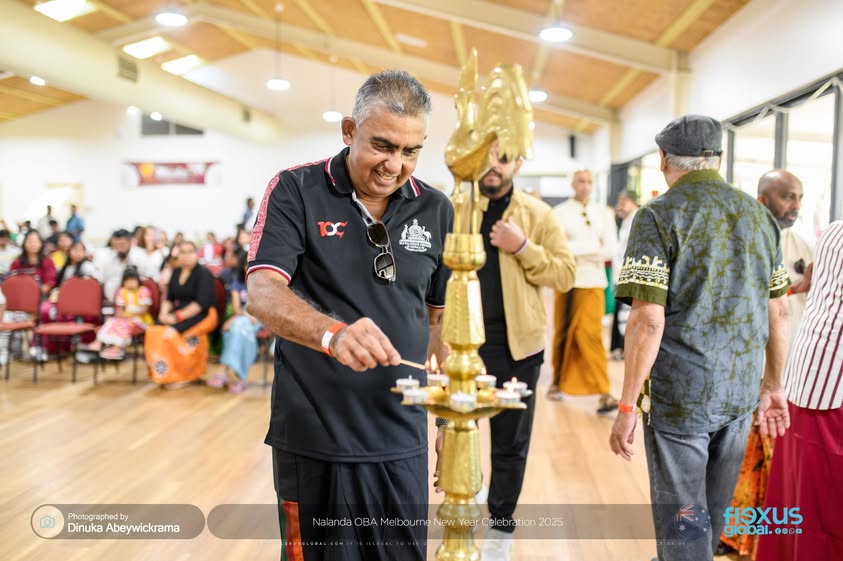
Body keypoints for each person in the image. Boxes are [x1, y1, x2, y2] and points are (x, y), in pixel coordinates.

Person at [246, 70, 452, 561]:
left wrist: (448, 421)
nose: (394, 164)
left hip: (401, 437)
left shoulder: (437, 210)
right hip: (315, 437)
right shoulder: (295, 190)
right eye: (382, 145)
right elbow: (262, 291)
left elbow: (442, 325)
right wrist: (331, 334)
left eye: (410, 151)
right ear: (348, 131)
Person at [608, 114, 791, 561]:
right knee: (711, 509)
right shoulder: (760, 216)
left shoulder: (657, 215)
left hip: (681, 396)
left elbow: (648, 321)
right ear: (719, 158)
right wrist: (774, 384)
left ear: (663, 160)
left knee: (683, 516)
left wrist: (627, 405)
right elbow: (779, 309)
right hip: (740, 391)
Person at [459, 141, 576, 560]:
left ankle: (500, 530)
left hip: (517, 349)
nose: (493, 167)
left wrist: (523, 246)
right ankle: (465, 511)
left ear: (518, 163)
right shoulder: (456, 207)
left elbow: (565, 274)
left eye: (503, 158)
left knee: (510, 444)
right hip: (462, 348)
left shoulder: (537, 214)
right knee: (459, 436)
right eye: (486, 157)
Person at [719, 169, 814, 559]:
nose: (795, 206)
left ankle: (765, 541)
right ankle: (733, 536)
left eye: (799, 197)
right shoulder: (738, 240)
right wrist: (793, 287)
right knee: (738, 455)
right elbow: (743, 296)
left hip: (787, 365)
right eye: (788, 197)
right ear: (762, 199)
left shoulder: (803, 244)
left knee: (777, 458)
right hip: (746, 364)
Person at [756, 220, 843, 561]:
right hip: (832, 390)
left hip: (809, 377)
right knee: (824, 514)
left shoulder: (835, 231)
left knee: (795, 500)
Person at [549, 169, 619, 413]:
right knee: (563, 333)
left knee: (591, 335)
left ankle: (603, 391)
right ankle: (557, 382)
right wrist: (592, 245)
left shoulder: (603, 213)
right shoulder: (559, 213)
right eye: (581, 181)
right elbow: (557, 248)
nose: (585, 186)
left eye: (589, 181)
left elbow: (611, 249)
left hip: (593, 283)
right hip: (567, 281)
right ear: (572, 183)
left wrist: (575, 247)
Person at [144, 241, 218, 386]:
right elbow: (169, 298)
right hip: (180, 311)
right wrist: (163, 314)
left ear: (196, 254)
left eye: (190, 251)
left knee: (170, 333)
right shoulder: (176, 272)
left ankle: (181, 375)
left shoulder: (203, 274)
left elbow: (201, 303)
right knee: (153, 330)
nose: (186, 256)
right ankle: (162, 373)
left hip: (201, 313)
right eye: (182, 252)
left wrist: (176, 317)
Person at [207, 250, 259, 393]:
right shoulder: (238, 283)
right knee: (239, 328)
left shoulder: (265, 283)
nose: (250, 267)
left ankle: (224, 370)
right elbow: (237, 309)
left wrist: (241, 317)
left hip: (260, 320)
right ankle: (241, 377)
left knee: (235, 328)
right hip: (244, 318)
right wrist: (242, 316)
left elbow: (263, 311)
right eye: (247, 264)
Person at [90, 267, 153, 360]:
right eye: (128, 281)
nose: (131, 283)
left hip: (140, 319)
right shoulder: (122, 291)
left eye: (133, 280)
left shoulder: (143, 291)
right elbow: (119, 309)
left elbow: (144, 309)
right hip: (125, 317)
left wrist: (129, 316)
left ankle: (117, 348)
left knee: (126, 325)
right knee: (111, 321)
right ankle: (99, 341)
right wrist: (122, 315)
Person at [93, 229, 141, 305]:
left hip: (134, 302)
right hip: (109, 301)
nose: (119, 248)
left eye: (122, 244)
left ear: (129, 242)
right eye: (116, 245)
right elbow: (101, 281)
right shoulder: (106, 258)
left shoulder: (139, 257)